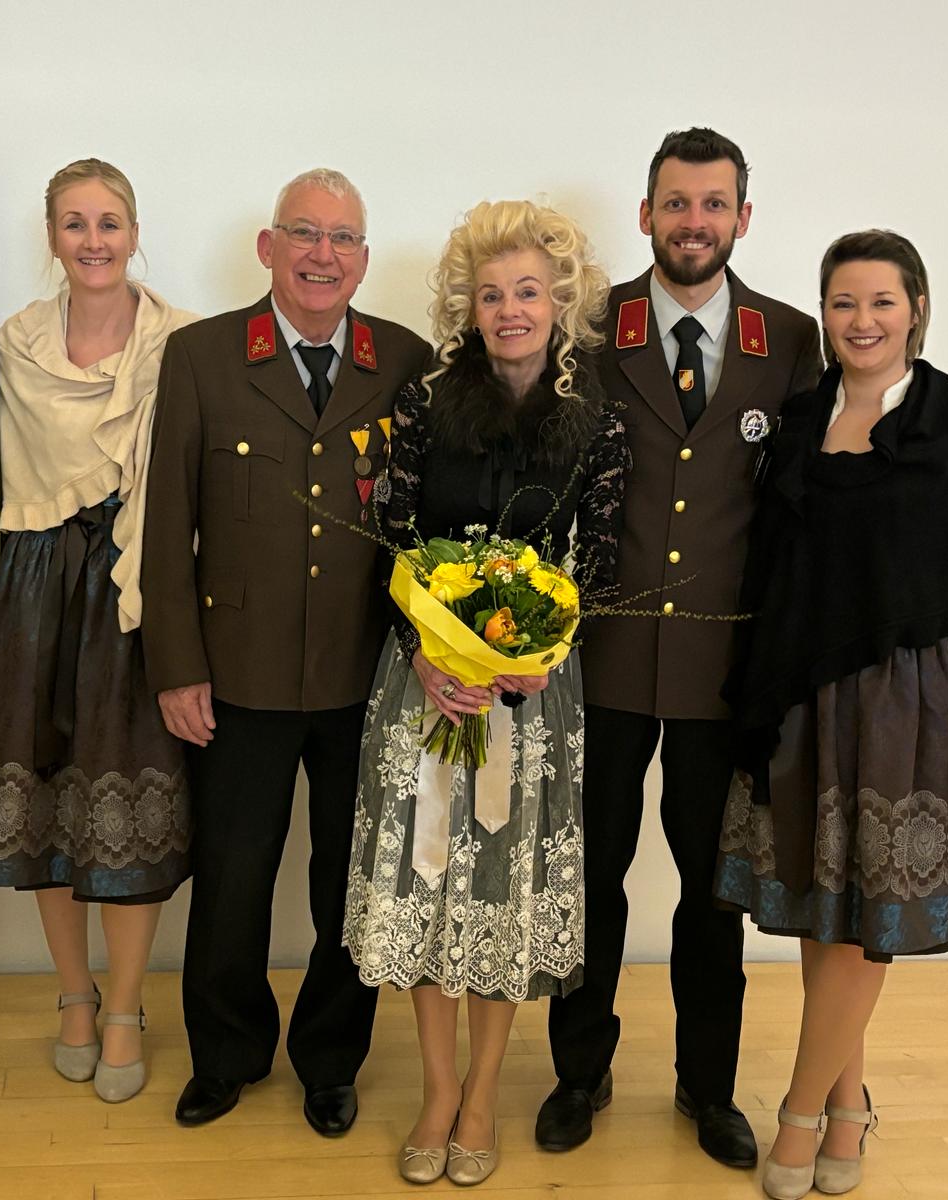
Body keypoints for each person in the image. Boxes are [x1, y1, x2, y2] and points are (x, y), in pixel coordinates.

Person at [717, 229, 948, 1199]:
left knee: (871, 923)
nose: (861, 321)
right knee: (825, 911)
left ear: (916, 311)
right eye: (843, 302)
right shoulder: (797, 419)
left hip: (910, 705)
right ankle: (849, 1107)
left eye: (881, 302)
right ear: (824, 315)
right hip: (802, 698)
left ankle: (799, 1115)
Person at [540, 127, 823, 1166]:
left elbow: (805, 506)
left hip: (725, 667)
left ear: (742, 217)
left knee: (713, 892)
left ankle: (708, 1086)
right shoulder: (588, 327)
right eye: (675, 203)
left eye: (712, 204)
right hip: (603, 658)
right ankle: (579, 1070)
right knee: (590, 876)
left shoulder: (789, 339)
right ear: (646, 212)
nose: (692, 222)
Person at [345, 200, 628, 1185]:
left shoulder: (599, 414)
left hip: (530, 689)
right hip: (425, 680)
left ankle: (482, 1096)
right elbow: (390, 535)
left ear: (561, 301)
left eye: (528, 292)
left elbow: (599, 556)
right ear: (467, 305)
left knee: (502, 884)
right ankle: (435, 1090)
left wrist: (546, 647)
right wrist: (424, 653)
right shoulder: (425, 399)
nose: (510, 310)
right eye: (491, 293)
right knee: (427, 881)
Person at [141, 168, 428, 1133]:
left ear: (363, 259)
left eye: (342, 239)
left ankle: (331, 1060)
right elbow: (166, 524)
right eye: (304, 233)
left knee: (350, 882)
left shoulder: (406, 361)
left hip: (365, 676)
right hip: (238, 673)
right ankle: (225, 1054)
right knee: (232, 880)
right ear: (269, 247)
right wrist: (177, 665)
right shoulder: (202, 356)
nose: (322, 255)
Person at [0, 159, 196, 1102]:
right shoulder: (14, 342)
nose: (93, 241)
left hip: (133, 590)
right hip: (34, 587)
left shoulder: (182, 344)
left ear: (135, 232)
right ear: (52, 236)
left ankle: (127, 1004)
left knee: (127, 804)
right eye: (74, 223)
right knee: (50, 799)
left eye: (109, 222)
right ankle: (75, 994)